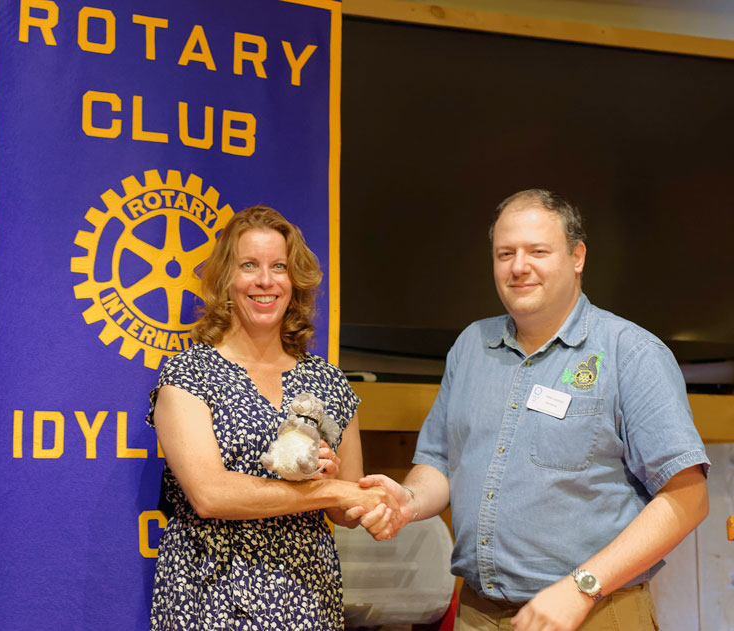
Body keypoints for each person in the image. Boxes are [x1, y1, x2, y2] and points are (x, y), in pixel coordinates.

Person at [350, 189, 710, 631]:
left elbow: (688, 499)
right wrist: (407, 501)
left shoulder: (631, 353)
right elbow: (440, 462)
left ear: (577, 257)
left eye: (538, 251)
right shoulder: (470, 347)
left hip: (593, 611)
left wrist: (580, 589)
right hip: (477, 613)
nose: (519, 267)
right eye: (505, 253)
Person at [146, 205, 397, 631]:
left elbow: (346, 508)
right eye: (249, 265)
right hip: (209, 598)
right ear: (226, 278)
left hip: (307, 599)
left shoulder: (328, 380)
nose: (265, 280)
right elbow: (211, 496)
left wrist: (374, 503)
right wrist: (331, 491)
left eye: (278, 267)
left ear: (293, 281)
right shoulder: (188, 374)